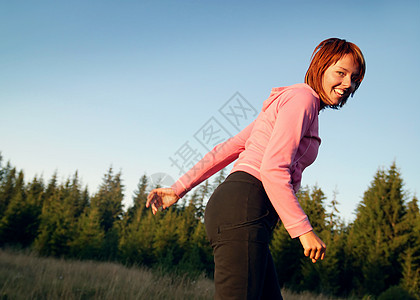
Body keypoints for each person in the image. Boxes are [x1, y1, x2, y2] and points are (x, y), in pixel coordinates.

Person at [146, 38, 366, 300]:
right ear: (320, 67)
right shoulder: (303, 99)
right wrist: (303, 230)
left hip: (242, 209)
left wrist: (178, 189)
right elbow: (273, 169)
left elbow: (230, 147)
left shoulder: (293, 102)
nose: (347, 84)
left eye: (354, 78)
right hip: (245, 205)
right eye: (340, 73)